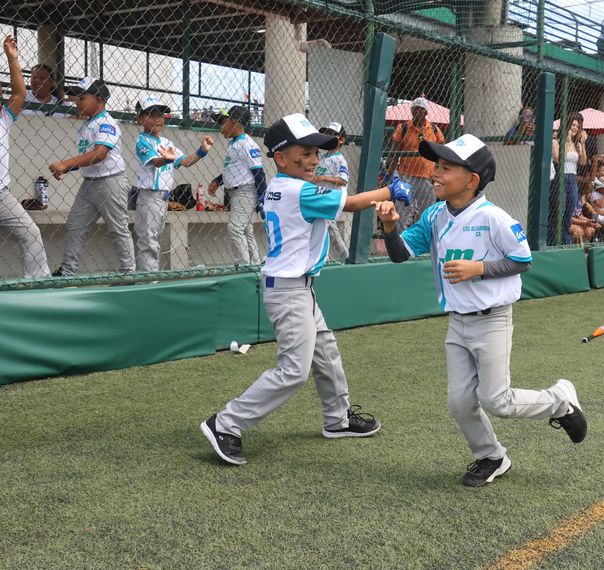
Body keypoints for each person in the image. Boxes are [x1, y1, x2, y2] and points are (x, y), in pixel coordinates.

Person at [200, 113, 414, 466]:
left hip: (298, 288)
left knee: (326, 352)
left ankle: (338, 419)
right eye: (305, 153)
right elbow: (351, 204)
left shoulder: (284, 186)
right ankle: (226, 423)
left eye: (316, 152)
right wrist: (391, 190)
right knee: (293, 371)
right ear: (281, 158)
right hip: (288, 291)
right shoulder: (296, 189)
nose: (314, 159)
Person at [374, 134, 587, 487]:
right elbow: (399, 254)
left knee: (497, 401)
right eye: (437, 166)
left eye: (446, 168)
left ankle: (560, 401)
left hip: (493, 321)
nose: (435, 173)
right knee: (460, 403)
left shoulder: (493, 217)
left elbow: (523, 260)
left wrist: (480, 268)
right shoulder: (434, 215)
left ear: (472, 179)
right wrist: (390, 227)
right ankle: (491, 456)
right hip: (457, 324)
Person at [49, 77, 135, 276]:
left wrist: (66, 164)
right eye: (76, 97)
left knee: (117, 228)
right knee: (75, 224)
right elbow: (88, 157)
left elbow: (100, 154)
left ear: (99, 100)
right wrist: (67, 168)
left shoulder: (106, 122)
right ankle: (68, 271)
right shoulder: (87, 124)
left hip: (110, 181)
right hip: (89, 183)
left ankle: (128, 273)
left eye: (82, 97)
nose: (77, 101)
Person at [133, 96, 213, 272]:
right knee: (148, 242)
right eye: (151, 114)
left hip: (163, 199)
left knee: (154, 240)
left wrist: (202, 151)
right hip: (149, 197)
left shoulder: (166, 142)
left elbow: (185, 161)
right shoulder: (142, 141)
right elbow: (155, 162)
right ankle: (147, 281)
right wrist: (165, 159)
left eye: (160, 115)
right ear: (140, 119)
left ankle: (148, 277)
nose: (157, 119)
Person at [0, 36, 50, 279]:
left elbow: (20, 93)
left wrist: (13, 59)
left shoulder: (3, 119)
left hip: (1, 196)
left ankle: (38, 283)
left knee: (31, 233)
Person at [208, 105, 265, 266]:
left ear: (233, 122)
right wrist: (218, 181)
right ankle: (254, 264)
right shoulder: (233, 143)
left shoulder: (247, 144)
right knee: (246, 230)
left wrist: (262, 197)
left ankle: (243, 265)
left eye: (222, 122)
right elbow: (233, 169)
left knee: (235, 228)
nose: (220, 127)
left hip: (245, 191)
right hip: (235, 192)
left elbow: (258, 171)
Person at [388, 97, 445, 229]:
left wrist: (438, 173)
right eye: (414, 109)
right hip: (406, 176)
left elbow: (441, 151)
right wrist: (389, 174)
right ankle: (401, 237)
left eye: (420, 109)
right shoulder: (403, 128)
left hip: (427, 177)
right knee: (402, 210)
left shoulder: (434, 129)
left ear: (426, 112)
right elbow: (395, 153)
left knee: (427, 211)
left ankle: (426, 235)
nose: (416, 112)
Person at [314, 121, 351, 260]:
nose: (328, 136)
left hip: (333, 198)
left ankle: (336, 257)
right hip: (322, 198)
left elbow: (343, 180)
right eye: (327, 133)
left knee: (326, 228)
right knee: (328, 228)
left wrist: (323, 178)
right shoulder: (323, 157)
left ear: (341, 140)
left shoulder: (340, 159)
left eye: (332, 134)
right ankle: (342, 256)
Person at [549, 112, 587, 245]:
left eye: (578, 126)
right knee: (559, 212)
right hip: (561, 178)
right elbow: (557, 159)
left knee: (569, 213)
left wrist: (582, 144)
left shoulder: (577, 144)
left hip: (573, 179)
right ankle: (553, 242)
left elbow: (583, 162)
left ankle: (565, 242)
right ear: (567, 125)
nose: (575, 128)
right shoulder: (556, 141)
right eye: (573, 125)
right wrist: (566, 141)